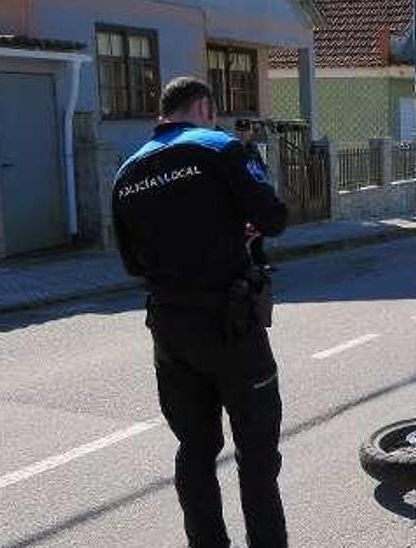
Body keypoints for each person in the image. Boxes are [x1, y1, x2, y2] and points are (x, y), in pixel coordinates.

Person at [112, 77, 289, 548]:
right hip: (229, 323)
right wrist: (239, 230)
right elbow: (273, 216)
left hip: (169, 328)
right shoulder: (220, 147)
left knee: (194, 450)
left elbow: (131, 263)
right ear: (205, 107)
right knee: (256, 454)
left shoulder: (127, 171)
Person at [235, 118, 275, 271]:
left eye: (246, 130)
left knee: (258, 229)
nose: (243, 133)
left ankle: (260, 261)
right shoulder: (234, 149)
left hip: (255, 194)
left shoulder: (253, 149)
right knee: (243, 232)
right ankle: (243, 263)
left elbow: (261, 169)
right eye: (241, 130)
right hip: (241, 195)